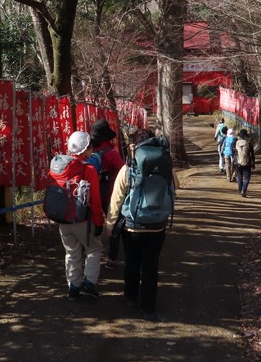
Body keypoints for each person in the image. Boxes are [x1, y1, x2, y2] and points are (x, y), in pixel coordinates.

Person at [106, 128, 178, 321]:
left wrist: (110, 223)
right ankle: (148, 307)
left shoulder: (129, 168)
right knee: (150, 266)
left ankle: (130, 297)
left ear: (135, 146)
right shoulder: (165, 165)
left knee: (132, 262)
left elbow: (117, 198)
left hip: (132, 226)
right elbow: (174, 186)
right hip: (157, 226)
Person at [53, 131, 105, 301]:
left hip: (62, 219)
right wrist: (99, 221)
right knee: (94, 248)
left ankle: (73, 287)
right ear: (85, 150)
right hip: (82, 219)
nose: (92, 150)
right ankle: (89, 282)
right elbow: (95, 200)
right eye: (90, 147)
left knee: (71, 252)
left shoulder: (59, 166)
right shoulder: (88, 169)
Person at [89, 118, 126, 268]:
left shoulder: (89, 151)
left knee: (91, 226)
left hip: (92, 194)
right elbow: (124, 172)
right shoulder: (111, 153)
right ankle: (112, 258)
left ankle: (90, 256)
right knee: (115, 225)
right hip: (110, 194)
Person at [234, 128, 256, 198]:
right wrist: (253, 163)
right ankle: (243, 190)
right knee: (247, 178)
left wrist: (234, 163)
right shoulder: (249, 143)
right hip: (247, 163)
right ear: (246, 136)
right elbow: (252, 154)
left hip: (238, 163)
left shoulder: (236, 143)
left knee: (239, 177)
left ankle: (240, 191)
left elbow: (234, 154)